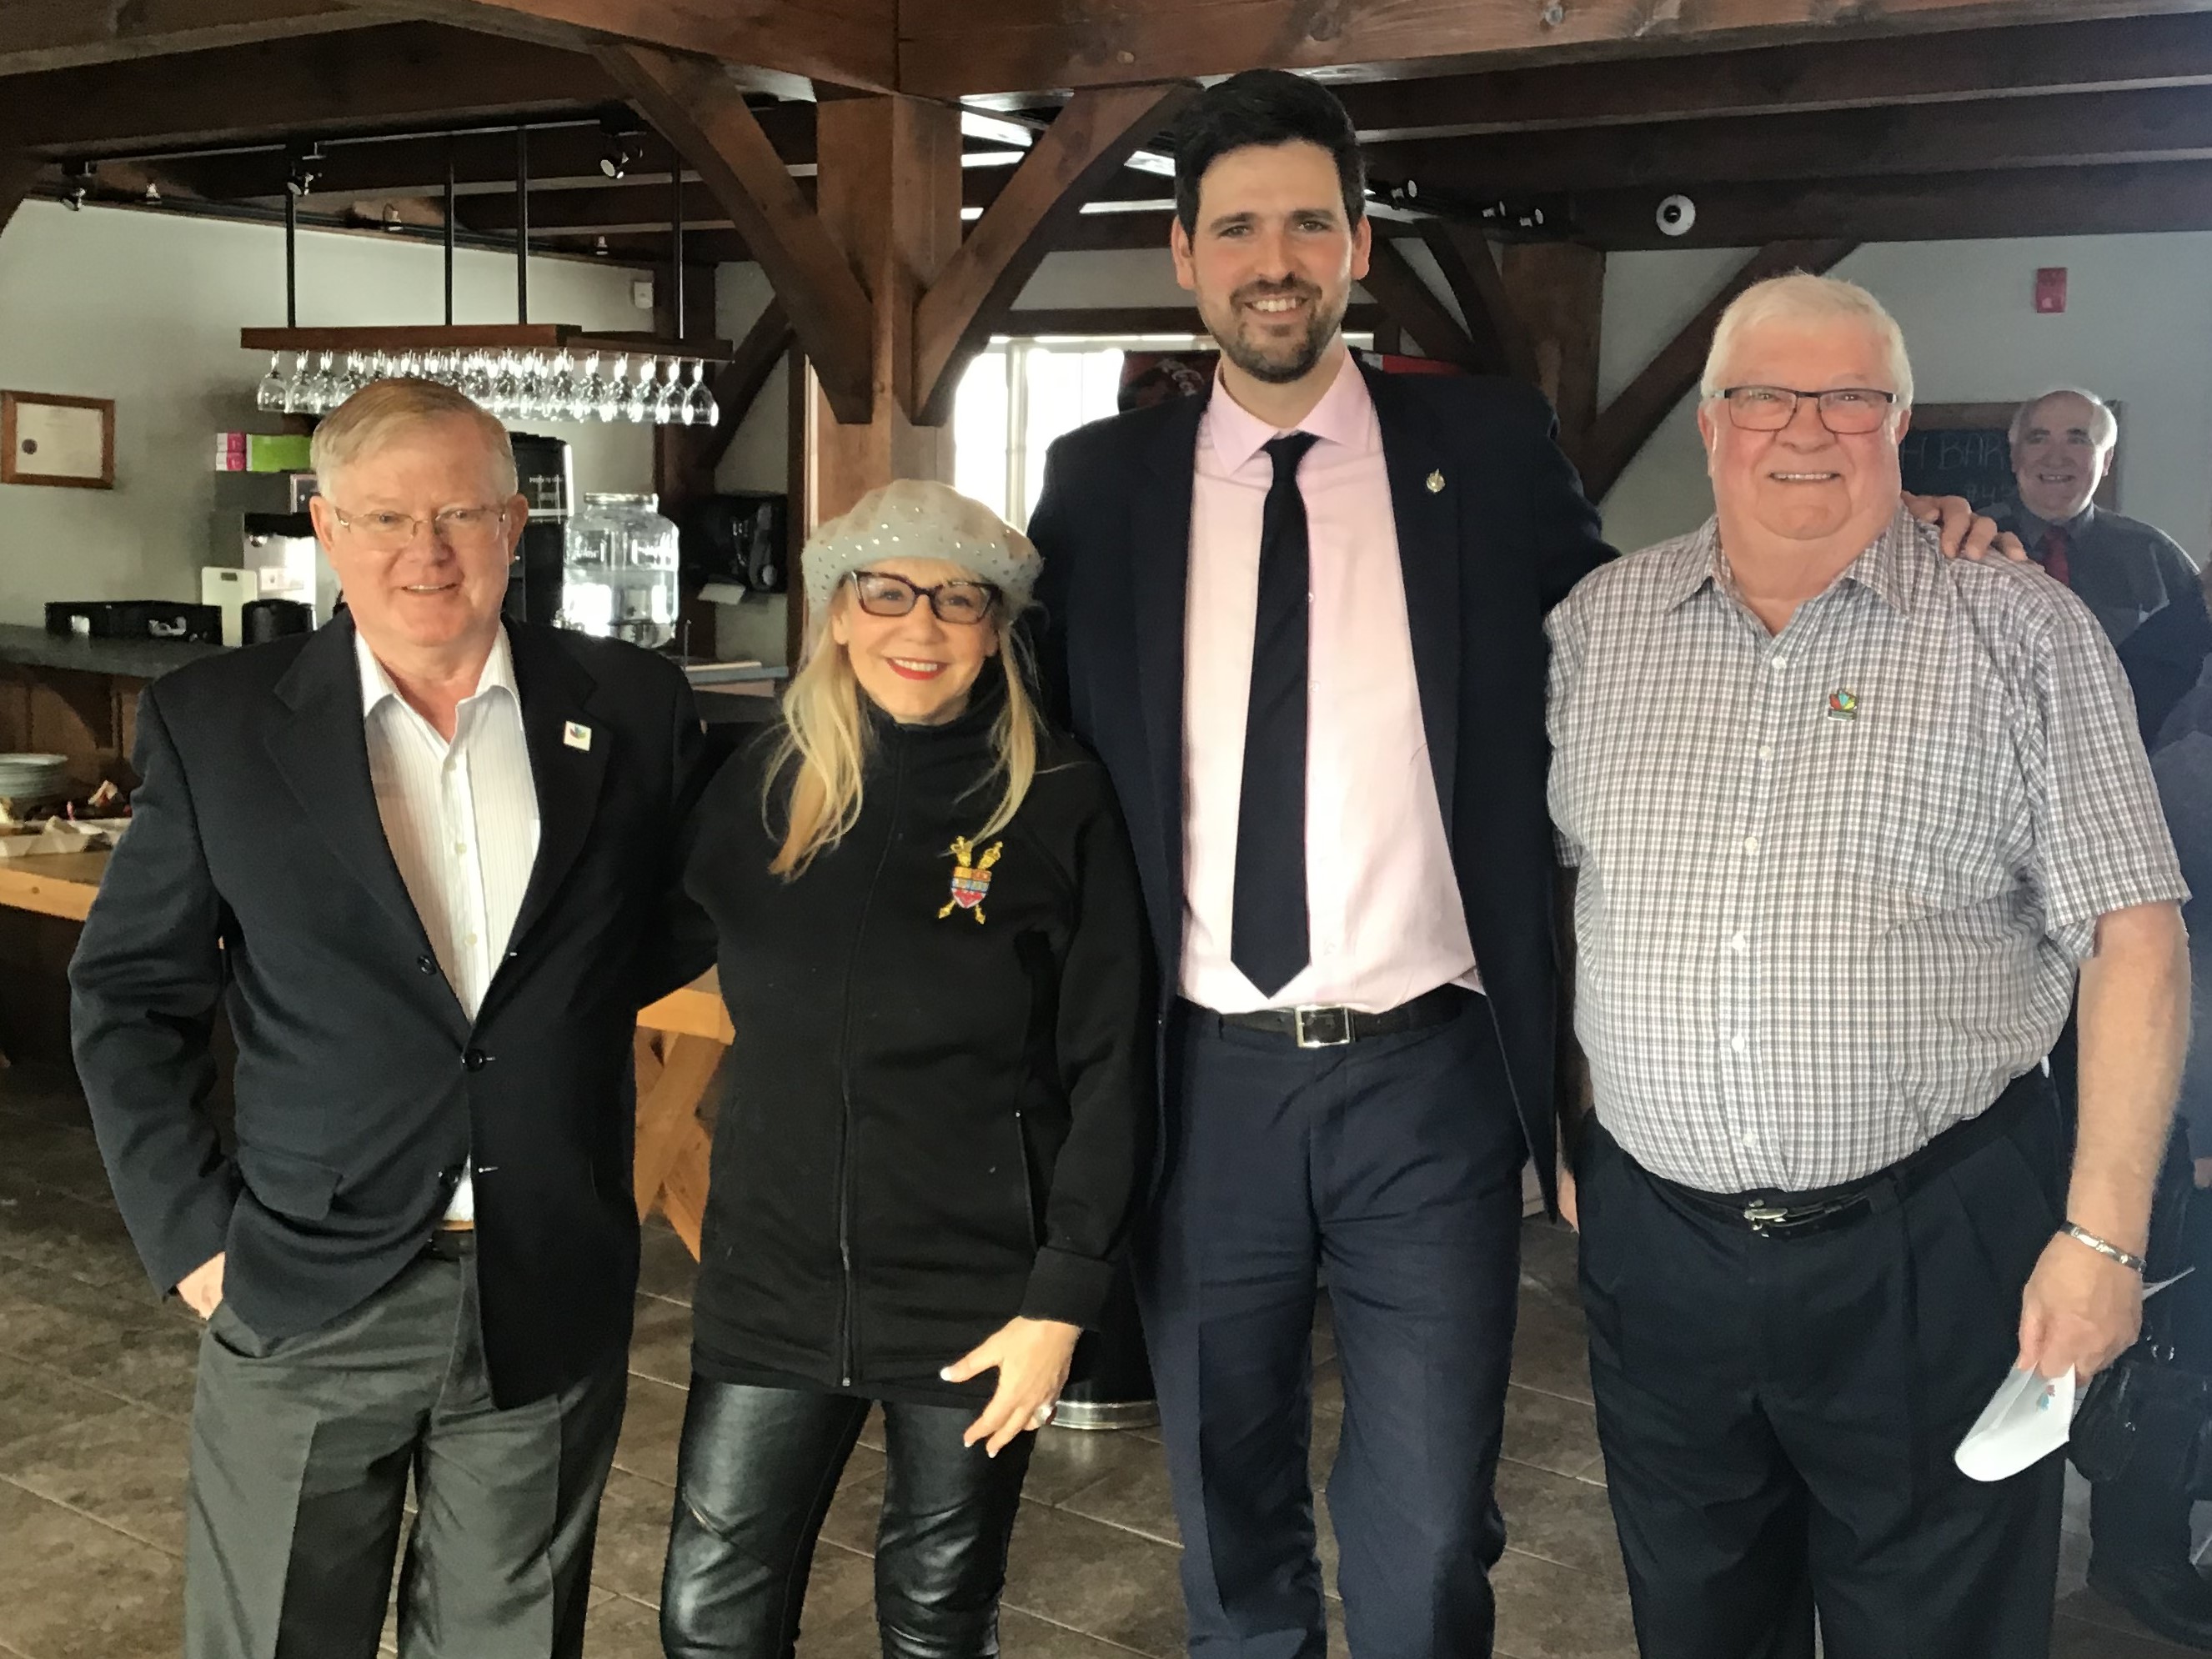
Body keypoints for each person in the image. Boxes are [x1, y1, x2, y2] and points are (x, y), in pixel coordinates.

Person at [1023, 69, 2004, 1659]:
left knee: (1421, 1539)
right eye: (1234, 229)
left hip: (1427, 1082)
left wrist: (1888, 528)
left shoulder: (1476, 445)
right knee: (1221, 1510)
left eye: (1305, 224)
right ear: (1187, 261)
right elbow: (1017, 745)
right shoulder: (1097, 487)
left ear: (1353, 246)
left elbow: (1665, 625)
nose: (1272, 258)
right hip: (1196, 1084)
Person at [1547, 273, 2189, 1659]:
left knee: (1936, 1629)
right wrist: (1572, 1117)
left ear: (1897, 425)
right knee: (1695, 1617)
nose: (1806, 426)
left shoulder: (2017, 633)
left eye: (1850, 396)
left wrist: (2099, 1242)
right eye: (1764, 393)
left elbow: (2134, 938)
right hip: (1658, 1253)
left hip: (1932, 1247)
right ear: (1711, 423)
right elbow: (1563, 887)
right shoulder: (1597, 630)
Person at [68, 378, 710, 1659]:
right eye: (385, 518)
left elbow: (662, 930)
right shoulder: (219, 723)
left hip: (545, 1282)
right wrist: (196, 1235)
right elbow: (129, 996)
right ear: (324, 524)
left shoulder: (632, 704)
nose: (426, 551)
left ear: (516, 521)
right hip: (307, 1280)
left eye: (462, 512)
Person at [660, 479, 1150, 1659]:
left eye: (958, 600)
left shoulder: (1059, 798)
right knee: (707, 1614)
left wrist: (1061, 1298)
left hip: (977, 1287)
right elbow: (621, 947)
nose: (919, 627)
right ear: (835, 610)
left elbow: (1113, 1065)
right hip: (771, 1271)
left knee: (936, 1618)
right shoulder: (761, 786)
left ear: (998, 625)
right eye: (886, 592)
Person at [2088, 624, 2212, 1648]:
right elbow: (2152, 951)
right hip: (2199, 1118)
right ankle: (2137, 1550)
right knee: (2177, 1351)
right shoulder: (2193, 765)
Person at [1990, 387, 2210, 739]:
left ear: (2106, 461)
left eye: (2078, 440)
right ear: (2015, 456)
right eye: (2038, 439)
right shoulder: (1964, 546)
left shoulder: (2156, 555)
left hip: (2127, 761)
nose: (2055, 458)